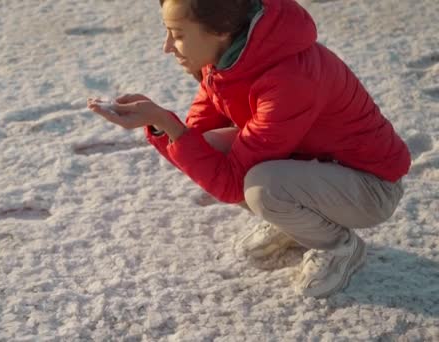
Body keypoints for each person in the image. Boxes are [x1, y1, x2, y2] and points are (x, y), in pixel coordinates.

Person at [86, 0, 410, 298]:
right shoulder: (226, 63)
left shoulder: (291, 79)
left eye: (178, 35)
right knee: (212, 151)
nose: (168, 47)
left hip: (371, 187)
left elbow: (228, 183)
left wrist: (168, 123)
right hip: (315, 165)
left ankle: (340, 247)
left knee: (263, 188)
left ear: (221, 30)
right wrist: (160, 124)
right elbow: (195, 145)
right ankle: (294, 221)